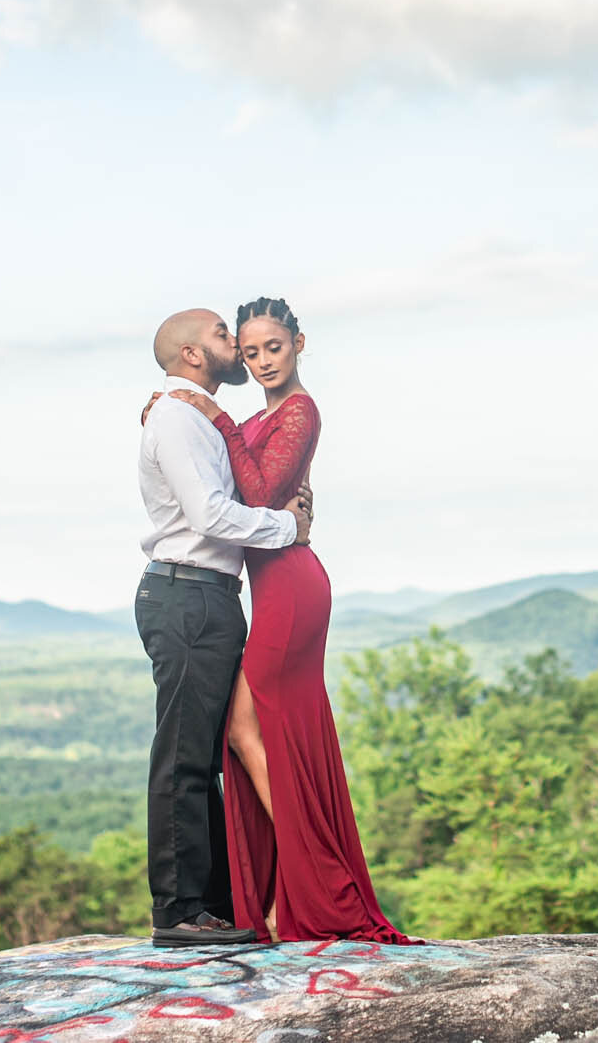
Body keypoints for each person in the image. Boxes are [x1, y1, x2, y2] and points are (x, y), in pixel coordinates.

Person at [161, 297, 416, 945]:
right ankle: (284, 897)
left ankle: (320, 880)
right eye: (250, 352)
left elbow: (260, 495)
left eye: (273, 346)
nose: (263, 360)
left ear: (299, 342)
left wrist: (213, 415)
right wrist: (171, 419)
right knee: (261, 734)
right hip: (271, 584)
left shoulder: (299, 412)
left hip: (292, 587)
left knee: (248, 726)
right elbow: (220, 474)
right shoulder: (256, 418)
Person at [136, 307, 313, 947]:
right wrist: (287, 528)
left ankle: (212, 904)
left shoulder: (198, 416)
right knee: (183, 756)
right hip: (187, 594)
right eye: (220, 335)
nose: (234, 344)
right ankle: (179, 914)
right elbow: (211, 515)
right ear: (190, 354)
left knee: (206, 755)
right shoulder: (179, 419)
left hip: (208, 595)